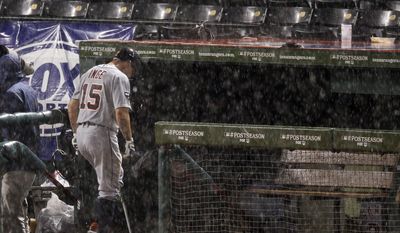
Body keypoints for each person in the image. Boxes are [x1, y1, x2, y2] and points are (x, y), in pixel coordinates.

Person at [68, 47, 140, 232]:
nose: (132, 73)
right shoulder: (119, 76)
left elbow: (72, 106)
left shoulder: (89, 72)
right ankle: (99, 229)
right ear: (128, 62)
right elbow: (121, 113)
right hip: (101, 133)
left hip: (83, 133)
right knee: (110, 189)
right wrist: (129, 140)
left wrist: (76, 133)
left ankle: (96, 225)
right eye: (133, 68)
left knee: (109, 182)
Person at [0, 48, 39, 233]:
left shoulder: (11, 94)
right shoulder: (26, 89)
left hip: (17, 162)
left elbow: (8, 133)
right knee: (15, 212)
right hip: (28, 160)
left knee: (11, 215)